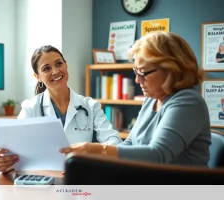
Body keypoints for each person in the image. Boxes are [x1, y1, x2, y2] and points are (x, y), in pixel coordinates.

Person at [60, 32, 211, 166]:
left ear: (171, 69)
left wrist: (100, 150)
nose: (138, 80)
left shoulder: (188, 102)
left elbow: (157, 155)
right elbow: (130, 143)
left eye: (143, 72)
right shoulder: (152, 99)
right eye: (136, 71)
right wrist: (95, 159)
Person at [0, 45, 122, 172]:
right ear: (38, 77)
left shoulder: (90, 106)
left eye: (59, 64)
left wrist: (93, 150)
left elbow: (115, 142)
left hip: (79, 175)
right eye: (46, 68)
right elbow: (15, 152)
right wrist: (3, 161)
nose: (55, 71)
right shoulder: (30, 108)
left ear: (66, 65)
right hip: (45, 179)